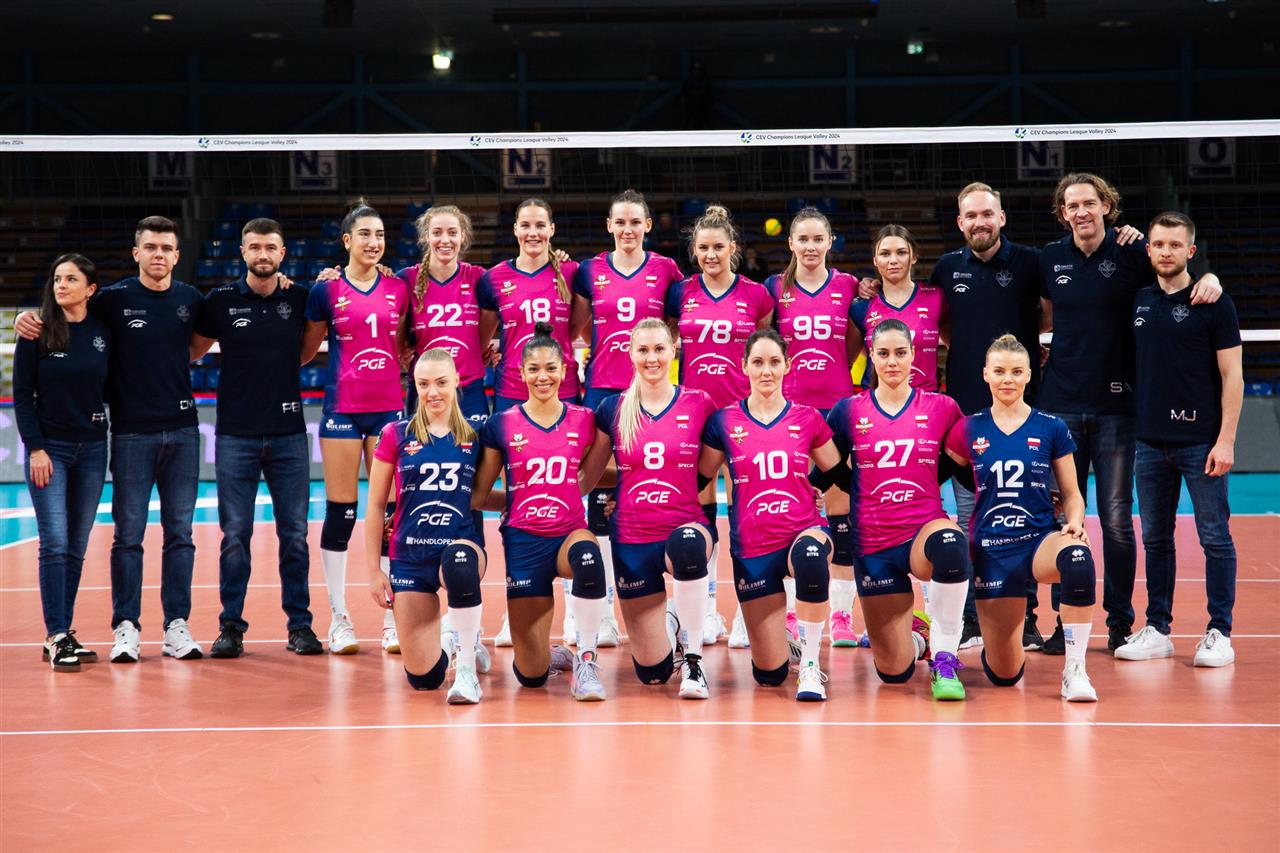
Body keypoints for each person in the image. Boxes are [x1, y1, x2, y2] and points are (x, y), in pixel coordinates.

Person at [1039, 173, 1221, 654]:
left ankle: (1119, 621)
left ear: (1106, 205)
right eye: (1072, 205)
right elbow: (1037, 310)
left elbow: (1176, 277)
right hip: (1060, 407)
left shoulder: (1133, 252)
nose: (1081, 211)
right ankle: (1063, 623)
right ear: (1063, 212)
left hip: (1118, 410)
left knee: (1117, 520)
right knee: (1064, 521)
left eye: (1090, 202)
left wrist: (1211, 278)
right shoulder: (1049, 258)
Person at [17, 216, 205, 663]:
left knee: (178, 534)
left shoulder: (190, 299)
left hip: (173, 432)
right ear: (136, 253)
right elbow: (65, 315)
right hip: (126, 434)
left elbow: (206, 337)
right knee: (123, 536)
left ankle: (175, 626)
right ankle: (123, 626)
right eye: (150, 247)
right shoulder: (112, 301)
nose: (158, 255)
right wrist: (27, 316)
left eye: (166, 248)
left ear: (177, 255)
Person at [190, 219, 322, 658]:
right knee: (235, 535)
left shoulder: (299, 297)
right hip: (235, 435)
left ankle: (300, 626)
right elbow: (191, 349)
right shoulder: (220, 301)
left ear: (282, 253)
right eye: (254, 247)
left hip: (288, 435)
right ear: (242, 252)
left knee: (295, 534)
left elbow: (306, 352)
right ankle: (230, 626)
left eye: (270, 247)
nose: (262, 254)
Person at [1117, 212, 1242, 667]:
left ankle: (1219, 631)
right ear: (1148, 249)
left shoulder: (1214, 302)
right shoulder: (1139, 300)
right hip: (1149, 441)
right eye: (1158, 244)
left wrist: (1225, 440)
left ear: (1190, 251)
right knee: (1155, 539)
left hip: (1200, 443)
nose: (1166, 252)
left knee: (1215, 537)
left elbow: (1233, 376)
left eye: (1175, 245)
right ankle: (1158, 628)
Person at [944, 335, 1099, 701]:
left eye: (1016, 372)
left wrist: (1075, 522)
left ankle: (1075, 670)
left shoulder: (1051, 427)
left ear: (1029, 375)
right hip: (991, 549)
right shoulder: (968, 427)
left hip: (1038, 541)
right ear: (985, 374)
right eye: (999, 371)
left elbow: (1072, 494)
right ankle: (999, 646)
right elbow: (930, 475)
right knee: (1005, 673)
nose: (1007, 380)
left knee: (1078, 558)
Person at [827, 320, 972, 700]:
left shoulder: (942, 407)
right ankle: (919, 639)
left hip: (923, 530)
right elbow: (826, 470)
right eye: (884, 353)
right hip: (874, 544)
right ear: (871, 357)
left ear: (914, 355)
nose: (892, 362)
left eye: (900, 353)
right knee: (895, 672)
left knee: (951, 544)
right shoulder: (847, 411)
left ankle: (945, 658)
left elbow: (967, 466)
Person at [699, 328, 845, 701]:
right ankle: (787, 646)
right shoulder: (723, 422)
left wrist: (813, 487)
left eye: (774, 362)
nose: (766, 371)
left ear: (787, 366)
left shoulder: (807, 418)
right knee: (770, 675)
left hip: (803, 530)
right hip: (753, 548)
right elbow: (697, 478)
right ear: (744, 366)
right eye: (758, 362)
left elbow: (837, 470)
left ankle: (810, 664)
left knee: (811, 558)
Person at [471, 323, 615, 701]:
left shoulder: (584, 419)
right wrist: (522, 498)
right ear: (521, 373)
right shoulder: (502, 424)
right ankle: (549, 655)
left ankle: (586, 659)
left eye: (550, 368)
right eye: (533, 369)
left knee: (589, 557)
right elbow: (479, 496)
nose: (543, 377)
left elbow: (603, 473)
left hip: (569, 534)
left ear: (564, 370)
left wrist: (629, 490)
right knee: (531, 677)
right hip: (523, 541)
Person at [572, 189, 685, 649]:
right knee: (601, 493)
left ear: (648, 225)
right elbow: (578, 325)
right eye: (620, 222)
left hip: (653, 393)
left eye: (635, 222)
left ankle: (683, 607)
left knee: (662, 489)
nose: (627, 230)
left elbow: (675, 324)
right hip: (604, 389)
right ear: (608, 225)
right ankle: (599, 613)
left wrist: (656, 355)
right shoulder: (590, 270)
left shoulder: (666, 270)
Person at [301, 200, 411, 655]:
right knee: (342, 512)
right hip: (342, 409)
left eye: (379, 234)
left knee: (391, 514)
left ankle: (391, 618)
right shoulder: (325, 290)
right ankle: (339, 617)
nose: (373, 242)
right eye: (364, 234)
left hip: (388, 410)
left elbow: (405, 345)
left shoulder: (399, 287)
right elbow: (305, 352)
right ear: (347, 240)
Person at [665, 205, 775, 649]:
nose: (711, 255)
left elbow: (764, 348)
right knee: (699, 511)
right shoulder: (680, 292)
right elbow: (666, 337)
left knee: (750, 514)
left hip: (742, 415)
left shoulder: (756, 295)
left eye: (718, 247)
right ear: (694, 251)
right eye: (703, 248)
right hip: (694, 415)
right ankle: (707, 609)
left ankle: (749, 611)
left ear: (733, 248)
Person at [592, 318, 718, 698]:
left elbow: (712, 468)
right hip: (632, 538)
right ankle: (673, 621)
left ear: (673, 351)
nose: (652, 358)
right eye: (643, 350)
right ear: (630, 354)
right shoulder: (613, 409)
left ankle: (694, 659)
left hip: (684, 525)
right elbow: (591, 476)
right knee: (652, 674)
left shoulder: (699, 403)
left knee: (688, 546)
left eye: (659, 349)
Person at [365, 349, 495, 703]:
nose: (432, 392)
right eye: (423, 384)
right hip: (410, 557)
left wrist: (523, 499)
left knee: (459, 564)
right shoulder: (396, 434)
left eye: (440, 383)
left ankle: (466, 668)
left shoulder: (477, 435)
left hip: (459, 545)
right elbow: (375, 505)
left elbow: (480, 496)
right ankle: (453, 637)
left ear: (457, 382)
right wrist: (374, 571)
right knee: (424, 679)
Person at [765, 208, 862, 649]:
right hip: (790, 412)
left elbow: (853, 343)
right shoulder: (774, 289)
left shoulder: (847, 286)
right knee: (791, 510)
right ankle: (790, 611)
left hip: (837, 409)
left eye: (817, 238)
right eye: (802, 239)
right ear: (790, 243)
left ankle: (841, 615)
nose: (810, 246)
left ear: (830, 241)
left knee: (840, 509)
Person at [14, 254, 110, 671]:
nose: (61, 285)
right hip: (49, 450)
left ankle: (62, 632)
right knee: (54, 542)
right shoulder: (36, 331)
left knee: (76, 546)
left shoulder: (103, 332)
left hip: (93, 449)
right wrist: (35, 447)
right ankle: (56, 634)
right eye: (57, 279)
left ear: (90, 289)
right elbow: (22, 395)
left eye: (71, 279)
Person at [477, 198, 587, 414]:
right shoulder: (494, 278)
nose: (533, 233)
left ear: (552, 229)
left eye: (540, 226)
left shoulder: (571, 272)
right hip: (512, 388)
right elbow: (481, 342)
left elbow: (572, 332)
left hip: (561, 387)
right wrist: (496, 352)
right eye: (525, 225)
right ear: (515, 229)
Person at [849, 224, 945, 392]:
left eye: (901, 252)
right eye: (885, 254)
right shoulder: (861, 306)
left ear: (913, 257)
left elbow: (957, 347)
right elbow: (847, 361)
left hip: (925, 400)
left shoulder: (937, 298)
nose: (893, 260)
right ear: (875, 260)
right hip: (875, 401)